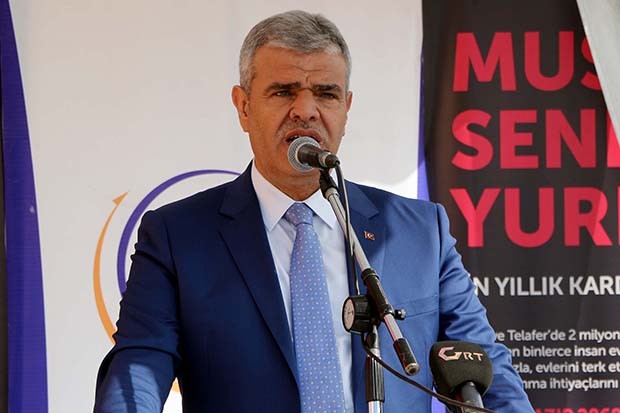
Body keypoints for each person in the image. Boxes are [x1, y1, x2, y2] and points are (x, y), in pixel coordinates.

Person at [94, 9, 534, 413]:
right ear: (244, 107)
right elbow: (138, 370)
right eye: (283, 91)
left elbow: (485, 373)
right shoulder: (177, 236)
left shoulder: (420, 232)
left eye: (326, 93)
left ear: (346, 108)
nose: (305, 111)